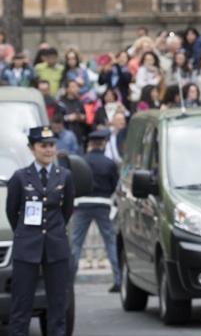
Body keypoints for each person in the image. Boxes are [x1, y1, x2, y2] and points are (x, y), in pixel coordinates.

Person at [5, 126, 75, 336]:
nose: (48, 150)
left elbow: (66, 210)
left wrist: (52, 230)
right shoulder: (20, 177)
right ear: (32, 148)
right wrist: (26, 233)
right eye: (43, 146)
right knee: (21, 304)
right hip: (27, 247)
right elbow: (12, 212)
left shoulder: (64, 176)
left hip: (55, 246)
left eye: (51, 145)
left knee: (57, 304)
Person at [69, 129, 121, 292]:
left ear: (90, 144)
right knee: (110, 242)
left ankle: (68, 281)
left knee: (76, 243)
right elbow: (114, 185)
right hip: (103, 203)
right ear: (103, 144)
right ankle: (118, 279)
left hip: (83, 203)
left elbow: (74, 183)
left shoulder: (81, 161)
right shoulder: (109, 163)